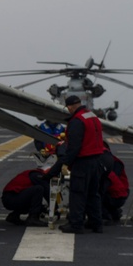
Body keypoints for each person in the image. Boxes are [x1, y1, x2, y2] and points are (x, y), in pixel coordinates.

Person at [46, 95, 105, 233]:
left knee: (78, 193)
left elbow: (74, 147)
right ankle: (96, 223)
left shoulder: (76, 121)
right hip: (96, 161)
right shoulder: (92, 116)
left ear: (70, 106)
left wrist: (65, 163)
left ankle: (76, 225)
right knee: (93, 194)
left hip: (83, 162)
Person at [99, 144, 129, 223]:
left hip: (118, 193)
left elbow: (109, 181)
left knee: (95, 196)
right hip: (119, 192)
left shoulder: (114, 163)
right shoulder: (113, 161)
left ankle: (105, 215)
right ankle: (113, 212)